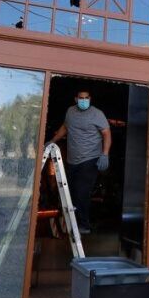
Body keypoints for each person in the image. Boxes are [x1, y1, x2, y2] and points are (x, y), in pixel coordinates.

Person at [47, 90, 110, 235]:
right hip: (72, 160)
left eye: (86, 98)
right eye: (81, 98)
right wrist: (53, 140)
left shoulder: (97, 114)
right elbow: (65, 127)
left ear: (90, 99)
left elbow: (107, 133)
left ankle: (84, 225)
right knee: (71, 192)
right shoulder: (70, 112)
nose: (84, 100)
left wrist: (105, 154)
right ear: (75, 99)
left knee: (82, 192)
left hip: (90, 158)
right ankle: (71, 222)